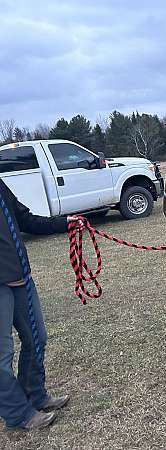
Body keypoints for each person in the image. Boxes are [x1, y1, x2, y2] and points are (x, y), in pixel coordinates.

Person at [0, 178, 79, 430]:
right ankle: (19, 413)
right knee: (2, 356)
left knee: (37, 339)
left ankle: (35, 395)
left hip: (21, 279)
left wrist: (63, 223)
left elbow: (25, 219)